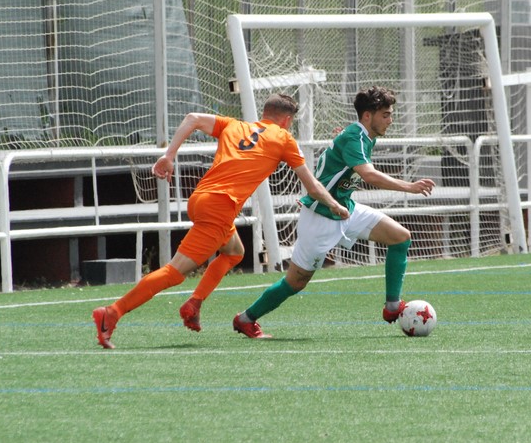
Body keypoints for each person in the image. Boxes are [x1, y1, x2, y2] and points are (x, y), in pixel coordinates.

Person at [92, 94, 349, 349]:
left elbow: (192, 118)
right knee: (174, 272)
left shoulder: (234, 125)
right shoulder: (283, 138)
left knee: (234, 252)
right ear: (287, 120)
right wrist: (336, 206)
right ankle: (112, 313)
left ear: (265, 113)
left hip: (201, 198)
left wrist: (169, 156)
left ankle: (194, 303)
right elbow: (313, 186)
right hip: (219, 207)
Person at [233, 85, 436, 338]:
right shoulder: (355, 137)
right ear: (367, 116)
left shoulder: (362, 136)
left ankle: (392, 307)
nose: (390, 120)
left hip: (345, 209)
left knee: (400, 237)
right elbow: (369, 175)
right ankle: (245, 319)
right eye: (385, 115)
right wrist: (410, 186)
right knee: (296, 282)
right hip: (321, 217)